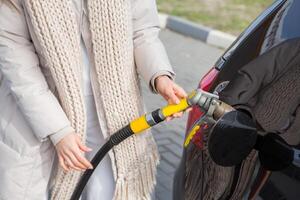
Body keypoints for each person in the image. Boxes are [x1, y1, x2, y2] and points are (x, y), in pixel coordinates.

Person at [0, 0, 188, 199]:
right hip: (35, 117)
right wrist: (58, 130)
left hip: (113, 114)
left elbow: (142, 31)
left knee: (111, 191)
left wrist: (160, 76)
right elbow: (16, 59)